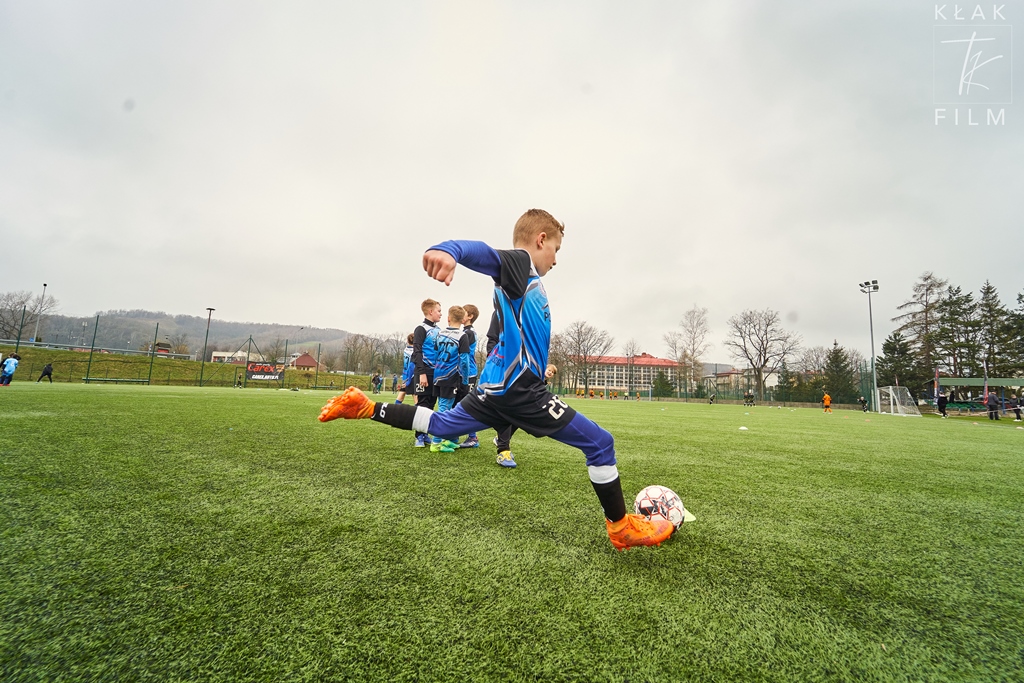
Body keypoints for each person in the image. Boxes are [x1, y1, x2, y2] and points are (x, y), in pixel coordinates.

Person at [319, 208, 674, 550]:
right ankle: (621, 529)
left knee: (441, 425)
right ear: (541, 239)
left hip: (494, 387)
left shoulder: (524, 281)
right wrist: (449, 250)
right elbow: (488, 254)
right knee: (600, 444)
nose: (555, 259)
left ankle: (366, 408)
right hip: (522, 391)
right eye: (556, 249)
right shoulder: (521, 264)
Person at [428, 305, 473, 453]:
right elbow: (464, 361)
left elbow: (435, 354)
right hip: (451, 377)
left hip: (438, 375)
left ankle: (449, 439)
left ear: (448, 318)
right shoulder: (462, 336)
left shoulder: (439, 334)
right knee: (444, 409)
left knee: (450, 408)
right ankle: (436, 442)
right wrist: (465, 380)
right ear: (462, 320)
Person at [411, 298, 442, 447]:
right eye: (438, 311)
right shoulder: (421, 329)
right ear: (430, 312)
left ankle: (425, 433)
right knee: (422, 404)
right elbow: (417, 352)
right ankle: (419, 436)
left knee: (431, 404)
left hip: (436, 372)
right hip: (423, 372)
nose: (441, 314)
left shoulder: (439, 330)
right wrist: (422, 373)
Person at [457, 303, 481, 449]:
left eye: (464, 312)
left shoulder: (469, 333)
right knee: (459, 403)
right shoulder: (465, 332)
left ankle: (473, 437)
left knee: (468, 404)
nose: (460, 314)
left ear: (470, 316)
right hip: (463, 371)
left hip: (468, 373)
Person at [394, 333, 416, 404]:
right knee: (416, 397)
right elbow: (412, 365)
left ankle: (395, 409)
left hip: (405, 375)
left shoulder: (406, 350)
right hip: (412, 375)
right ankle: (418, 411)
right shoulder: (415, 351)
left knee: (401, 395)